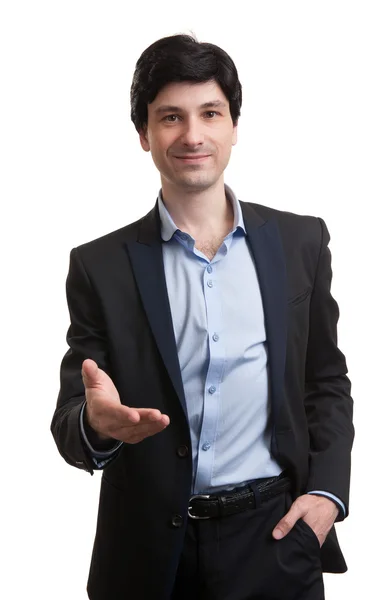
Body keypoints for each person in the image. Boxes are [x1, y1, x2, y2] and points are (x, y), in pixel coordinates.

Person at [51, 33, 354, 600]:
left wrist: (327, 495)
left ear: (233, 126)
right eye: (171, 117)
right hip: (147, 558)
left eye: (210, 113)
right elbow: (72, 419)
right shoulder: (100, 267)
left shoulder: (299, 242)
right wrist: (98, 427)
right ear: (143, 134)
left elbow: (326, 381)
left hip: (275, 540)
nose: (192, 135)